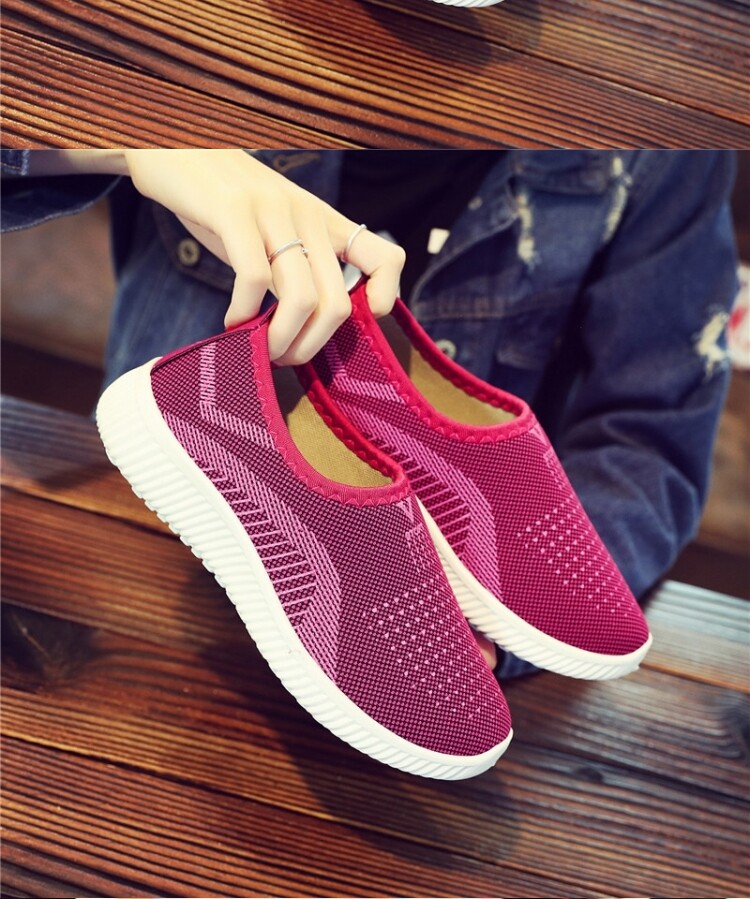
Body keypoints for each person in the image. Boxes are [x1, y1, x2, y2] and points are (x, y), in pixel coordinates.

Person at [1, 148, 739, 677]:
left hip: (401, 598)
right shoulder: (202, 34)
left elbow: (650, 430)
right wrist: (138, 143)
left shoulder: (653, 125)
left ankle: (442, 567)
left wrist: (497, 637)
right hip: (146, 542)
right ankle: (207, 409)